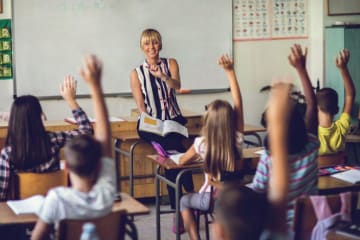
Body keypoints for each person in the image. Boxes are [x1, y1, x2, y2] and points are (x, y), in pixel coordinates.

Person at [31, 55, 116, 240]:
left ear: (66, 168)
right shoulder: (107, 193)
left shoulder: (57, 199)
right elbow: (102, 137)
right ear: (99, 165)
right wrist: (95, 86)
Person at [213, 82, 292, 240]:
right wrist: (278, 125)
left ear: (219, 232)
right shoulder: (275, 235)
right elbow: (281, 194)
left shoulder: (203, 144)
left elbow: (278, 194)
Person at [252, 44, 319, 227]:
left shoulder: (269, 158)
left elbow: (257, 196)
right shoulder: (312, 146)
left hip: (278, 229)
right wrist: (301, 69)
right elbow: (312, 106)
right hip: (309, 228)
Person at [178, 54, 244, 240]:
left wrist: (198, 157)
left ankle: (195, 238)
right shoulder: (237, 139)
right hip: (234, 196)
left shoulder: (201, 144)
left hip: (210, 200)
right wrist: (230, 72)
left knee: (184, 201)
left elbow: (183, 160)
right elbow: (238, 103)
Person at [130, 28, 194, 215]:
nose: (152, 47)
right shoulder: (136, 73)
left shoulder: (171, 63)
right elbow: (141, 106)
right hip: (154, 124)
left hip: (174, 119)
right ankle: (188, 193)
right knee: (177, 151)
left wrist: (163, 77)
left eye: (155, 42)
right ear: (142, 47)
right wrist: (153, 123)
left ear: (160, 44)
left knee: (171, 154)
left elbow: (178, 86)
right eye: (147, 44)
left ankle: (177, 206)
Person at [0, 76, 93, 201]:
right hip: (53, 211)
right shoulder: (54, 140)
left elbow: (1, 194)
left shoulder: (8, 154)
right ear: (40, 117)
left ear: (14, 121)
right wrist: (70, 100)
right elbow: (86, 132)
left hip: (20, 215)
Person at [317, 49, 355, 155]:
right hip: (339, 170)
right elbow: (350, 95)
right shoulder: (341, 127)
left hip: (317, 172)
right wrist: (343, 69)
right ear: (337, 109)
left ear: (316, 108)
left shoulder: (312, 133)